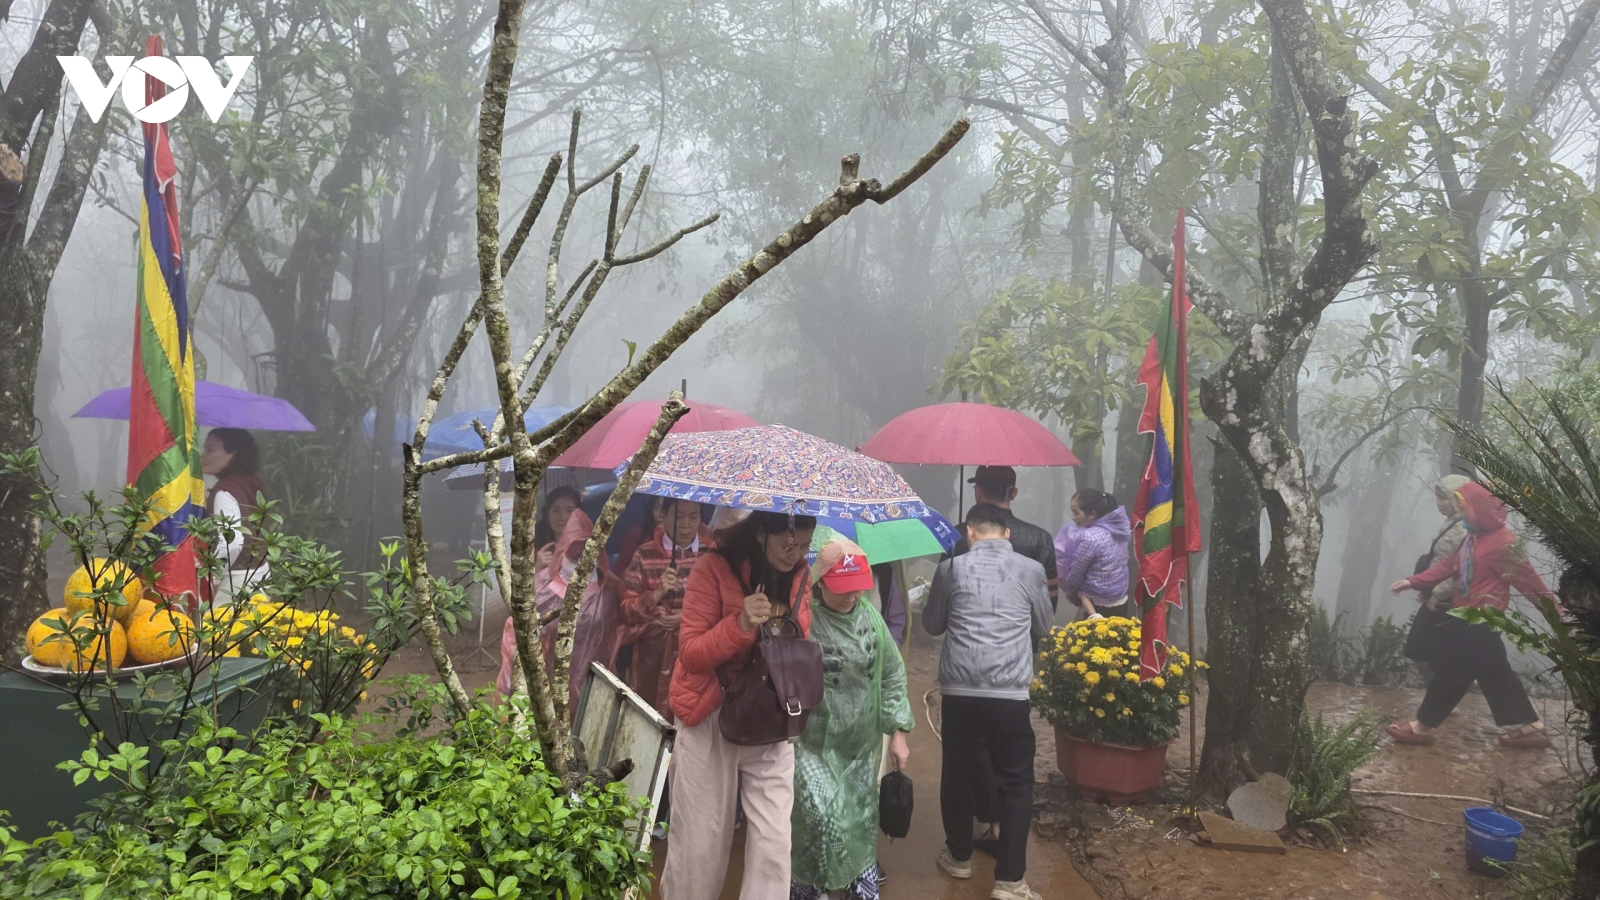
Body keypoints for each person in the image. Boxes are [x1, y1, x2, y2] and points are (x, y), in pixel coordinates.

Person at [659, 510, 816, 900]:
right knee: (700, 844)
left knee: (774, 845)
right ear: (762, 533)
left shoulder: (801, 576)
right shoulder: (713, 568)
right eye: (786, 542)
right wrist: (742, 625)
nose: (794, 553)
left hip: (772, 716)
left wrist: (783, 628)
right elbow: (692, 654)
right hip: (711, 716)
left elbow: (800, 643)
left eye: (805, 545)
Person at [924, 503, 1051, 900]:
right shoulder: (1031, 570)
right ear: (1007, 534)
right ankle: (1010, 880)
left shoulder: (951, 568)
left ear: (969, 532)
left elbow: (933, 624)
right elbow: (1044, 625)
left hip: (960, 691)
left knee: (957, 773)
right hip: (1009, 693)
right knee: (1016, 782)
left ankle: (959, 856)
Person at [1388, 480, 1557, 750]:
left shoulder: (1504, 544)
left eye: (1463, 506)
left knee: (1452, 671)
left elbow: (1530, 583)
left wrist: (1558, 616)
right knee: (1493, 672)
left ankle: (1423, 726)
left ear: (1480, 509)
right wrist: (1414, 581)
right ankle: (1531, 726)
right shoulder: (1472, 536)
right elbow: (1448, 565)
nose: (1460, 511)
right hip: (1466, 615)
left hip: (1480, 618)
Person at [790, 538, 913, 900]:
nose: (850, 597)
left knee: (858, 821)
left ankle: (860, 889)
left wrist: (899, 730)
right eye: (842, 590)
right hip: (810, 743)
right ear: (820, 581)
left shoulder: (870, 619)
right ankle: (807, 889)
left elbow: (892, 675)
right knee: (819, 817)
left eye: (858, 589)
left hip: (861, 743)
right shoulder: (803, 618)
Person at [947, 465, 1058, 853]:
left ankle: (983, 822)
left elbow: (940, 614)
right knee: (1010, 757)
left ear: (977, 493)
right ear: (1013, 492)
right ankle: (1004, 844)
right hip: (1013, 669)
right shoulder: (1041, 541)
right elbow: (1048, 610)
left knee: (969, 754)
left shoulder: (960, 542)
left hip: (965, 670)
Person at [495, 508, 616, 710]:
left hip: (590, 688)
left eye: (586, 549)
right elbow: (515, 633)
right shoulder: (542, 586)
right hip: (545, 680)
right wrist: (511, 688)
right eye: (575, 550)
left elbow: (622, 629)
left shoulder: (609, 589)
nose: (581, 557)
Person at [618, 498, 712, 717]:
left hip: (696, 654)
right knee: (648, 717)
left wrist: (685, 617)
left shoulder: (713, 554)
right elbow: (625, 610)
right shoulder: (644, 553)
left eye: (694, 516)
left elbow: (723, 610)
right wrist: (656, 594)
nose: (687, 523)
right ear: (664, 516)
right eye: (679, 517)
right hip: (650, 657)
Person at [200, 427, 267, 604]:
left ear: (232, 454)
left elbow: (232, 543)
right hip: (258, 575)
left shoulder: (225, 491)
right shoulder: (249, 482)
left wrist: (211, 578)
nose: (203, 455)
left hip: (235, 585)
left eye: (210, 449)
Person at [1054, 489, 1133, 619]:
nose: (1073, 517)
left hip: (1096, 606)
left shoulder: (1090, 536)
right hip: (1121, 600)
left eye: (1076, 512)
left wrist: (1072, 595)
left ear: (1091, 514)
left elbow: (1075, 575)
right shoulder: (1119, 528)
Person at [533, 486, 582, 570]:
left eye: (569, 510)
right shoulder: (539, 552)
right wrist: (537, 569)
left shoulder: (587, 546)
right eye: (556, 510)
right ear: (547, 514)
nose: (562, 517)